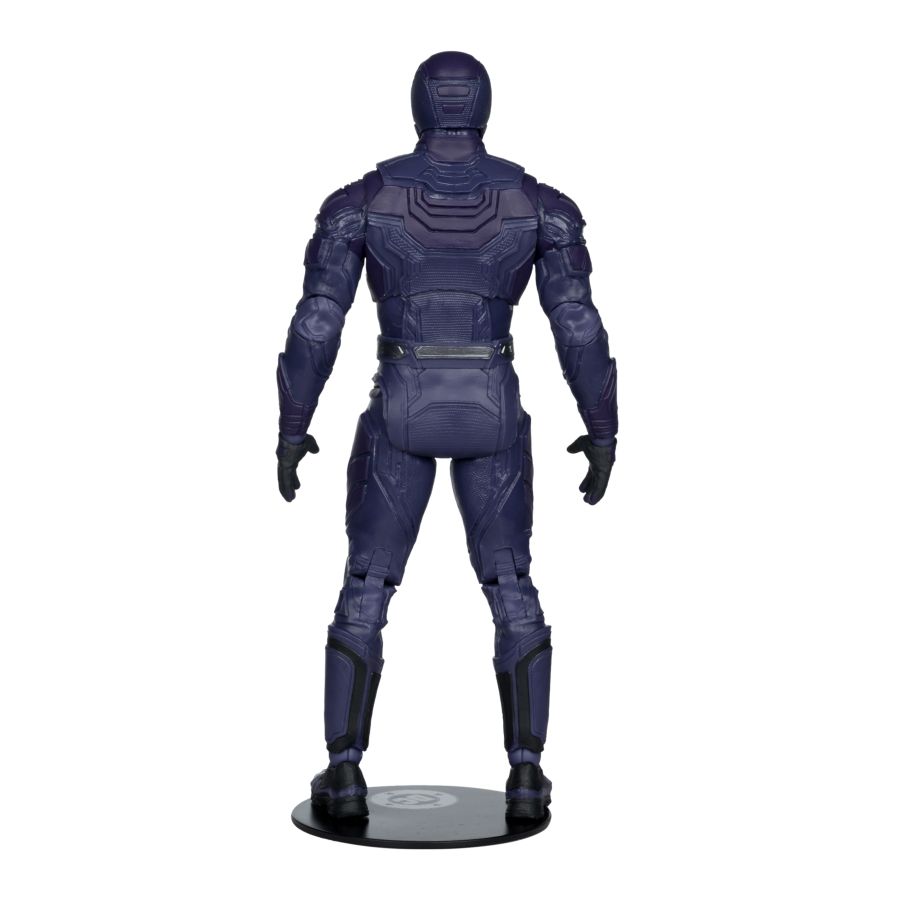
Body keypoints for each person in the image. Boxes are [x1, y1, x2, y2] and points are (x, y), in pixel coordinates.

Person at [276, 50, 617, 821]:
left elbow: (317, 323)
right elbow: (577, 325)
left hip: (403, 396)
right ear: (481, 105)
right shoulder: (539, 205)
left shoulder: (362, 201)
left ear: (421, 105)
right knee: (510, 583)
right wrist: (603, 429)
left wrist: (293, 428)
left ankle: (345, 771)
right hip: (489, 397)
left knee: (367, 584)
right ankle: (527, 776)